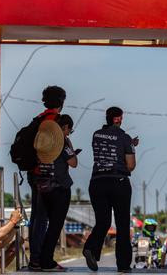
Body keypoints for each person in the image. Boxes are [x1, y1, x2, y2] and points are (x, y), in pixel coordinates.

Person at [83, 107, 138, 272]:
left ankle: (91, 248)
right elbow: (130, 165)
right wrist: (131, 146)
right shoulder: (124, 137)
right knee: (122, 225)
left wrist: (128, 144)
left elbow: (109, 146)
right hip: (118, 182)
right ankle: (123, 265)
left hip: (97, 182)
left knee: (103, 221)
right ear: (118, 119)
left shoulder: (96, 134)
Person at [27, 85, 66, 270]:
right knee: (44, 220)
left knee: (36, 218)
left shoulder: (38, 119)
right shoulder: (55, 121)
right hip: (48, 177)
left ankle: (34, 258)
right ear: (61, 102)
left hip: (33, 174)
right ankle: (40, 259)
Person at [34, 115, 77, 271]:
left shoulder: (43, 138)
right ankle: (47, 261)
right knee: (55, 227)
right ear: (65, 127)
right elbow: (74, 163)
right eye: (69, 131)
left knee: (42, 225)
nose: (68, 133)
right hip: (59, 188)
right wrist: (69, 144)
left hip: (43, 187)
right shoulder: (63, 142)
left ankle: (38, 259)